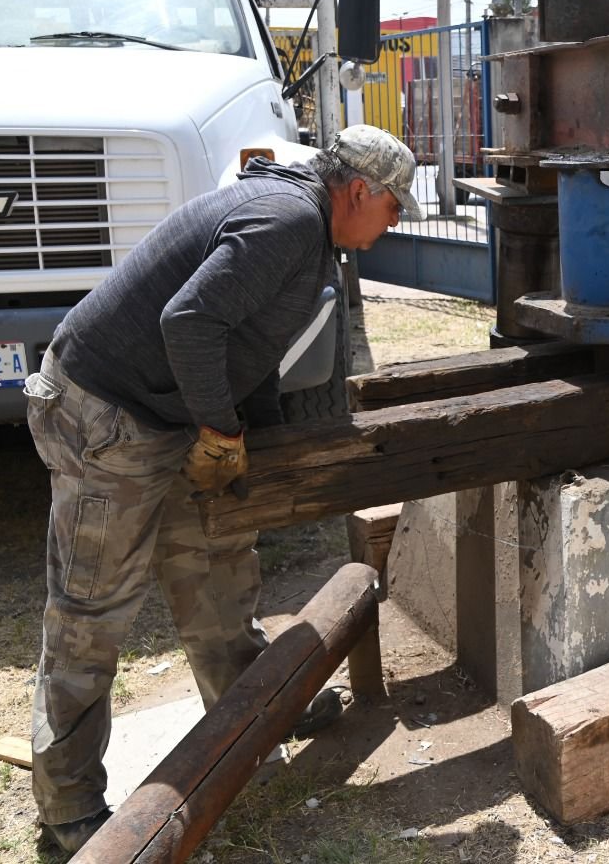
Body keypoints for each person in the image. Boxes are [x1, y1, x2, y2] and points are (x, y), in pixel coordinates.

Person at [23, 124, 418, 854]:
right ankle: (68, 804)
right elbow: (191, 320)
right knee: (91, 612)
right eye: (394, 208)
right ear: (360, 190)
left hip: (161, 410)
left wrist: (260, 445)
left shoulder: (307, 231)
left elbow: (249, 346)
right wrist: (221, 430)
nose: (394, 224)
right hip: (105, 410)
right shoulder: (287, 219)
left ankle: (255, 712)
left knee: (215, 566)